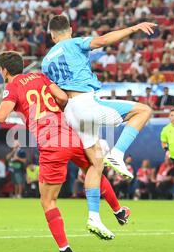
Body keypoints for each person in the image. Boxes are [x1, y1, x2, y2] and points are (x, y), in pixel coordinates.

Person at [0, 51, 130, 252]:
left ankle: (65, 250)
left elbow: (0, 116)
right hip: (69, 135)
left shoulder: (12, 87)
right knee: (94, 168)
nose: (0, 72)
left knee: (48, 202)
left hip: (51, 144)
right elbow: (63, 98)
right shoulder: (38, 76)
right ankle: (118, 210)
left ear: (5, 70)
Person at [41, 15, 155, 188]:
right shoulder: (74, 43)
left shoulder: (45, 62)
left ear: (52, 36)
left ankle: (94, 215)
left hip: (70, 112)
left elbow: (57, 94)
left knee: (96, 166)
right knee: (143, 111)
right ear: (70, 30)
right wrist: (133, 28)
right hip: (85, 102)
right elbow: (103, 40)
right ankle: (117, 153)